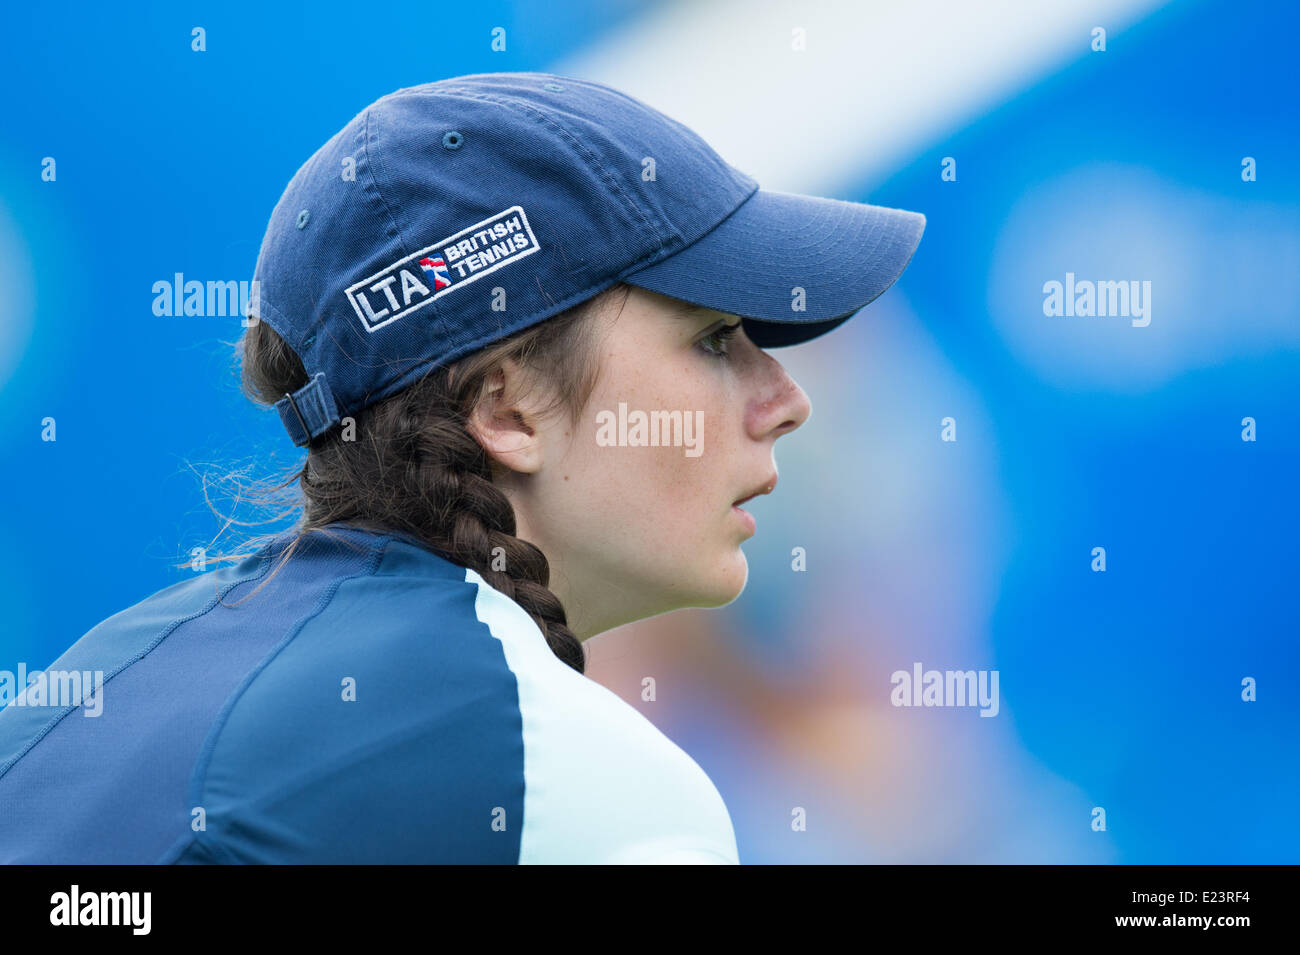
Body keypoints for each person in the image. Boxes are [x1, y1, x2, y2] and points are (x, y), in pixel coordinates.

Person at [0, 72, 925, 863]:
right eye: (717, 338)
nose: (787, 400)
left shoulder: (83, 694)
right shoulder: (573, 778)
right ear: (507, 410)